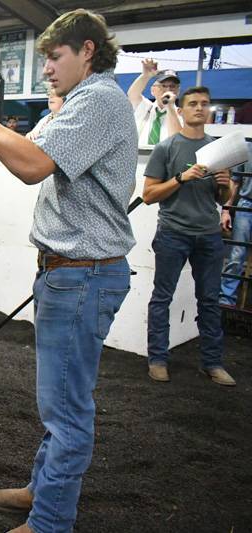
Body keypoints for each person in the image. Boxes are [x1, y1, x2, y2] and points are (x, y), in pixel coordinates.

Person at [0, 10, 136, 533]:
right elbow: (25, 148)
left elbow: (31, 166)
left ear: (88, 50)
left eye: (54, 56)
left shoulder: (101, 101)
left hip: (83, 273)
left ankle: (50, 522)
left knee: (66, 407)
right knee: (61, 397)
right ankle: (44, 490)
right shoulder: (80, 103)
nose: (45, 68)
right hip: (71, 272)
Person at [142, 86, 235, 387]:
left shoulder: (217, 149)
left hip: (208, 234)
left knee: (209, 300)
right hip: (173, 232)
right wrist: (181, 178)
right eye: (193, 103)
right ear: (180, 111)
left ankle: (212, 363)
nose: (199, 108)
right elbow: (148, 195)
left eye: (204, 104)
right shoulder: (166, 148)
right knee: (162, 298)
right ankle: (157, 359)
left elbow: (224, 197)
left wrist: (224, 184)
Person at [219, 143, 252, 307]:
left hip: (245, 206)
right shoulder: (248, 145)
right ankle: (226, 300)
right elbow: (235, 181)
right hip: (246, 205)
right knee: (237, 255)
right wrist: (226, 210)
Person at [127, 59, 182, 146]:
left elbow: (179, 143)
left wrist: (170, 107)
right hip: (140, 157)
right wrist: (146, 75)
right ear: (153, 90)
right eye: (163, 86)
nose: (168, 90)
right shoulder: (146, 108)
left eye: (173, 86)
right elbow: (132, 95)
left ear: (178, 91)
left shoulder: (181, 114)